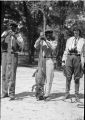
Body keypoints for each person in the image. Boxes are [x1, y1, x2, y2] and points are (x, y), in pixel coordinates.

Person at [1, 22, 24, 100]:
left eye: (14, 26)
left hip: (13, 54)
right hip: (5, 54)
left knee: (12, 74)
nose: (12, 28)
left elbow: (21, 44)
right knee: (4, 73)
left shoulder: (18, 35)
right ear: (8, 27)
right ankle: (4, 93)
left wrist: (15, 36)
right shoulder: (5, 32)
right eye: (10, 26)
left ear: (16, 27)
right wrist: (5, 35)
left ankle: (11, 93)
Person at [62, 26, 84, 102]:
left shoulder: (83, 41)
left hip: (77, 58)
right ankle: (67, 93)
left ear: (79, 32)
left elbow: (83, 53)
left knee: (77, 78)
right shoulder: (69, 40)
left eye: (77, 31)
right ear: (73, 32)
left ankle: (77, 95)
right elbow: (65, 51)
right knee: (68, 77)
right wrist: (63, 61)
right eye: (74, 31)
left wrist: (83, 63)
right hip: (69, 57)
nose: (76, 32)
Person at [34, 27, 57, 100]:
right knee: (40, 77)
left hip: (49, 59)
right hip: (42, 60)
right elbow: (35, 46)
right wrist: (39, 38)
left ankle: (47, 94)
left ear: (51, 34)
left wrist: (46, 40)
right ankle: (40, 93)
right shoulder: (42, 40)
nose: (48, 34)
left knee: (49, 78)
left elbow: (52, 48)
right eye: (47, 33)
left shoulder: (54, 41)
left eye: (50, 33)